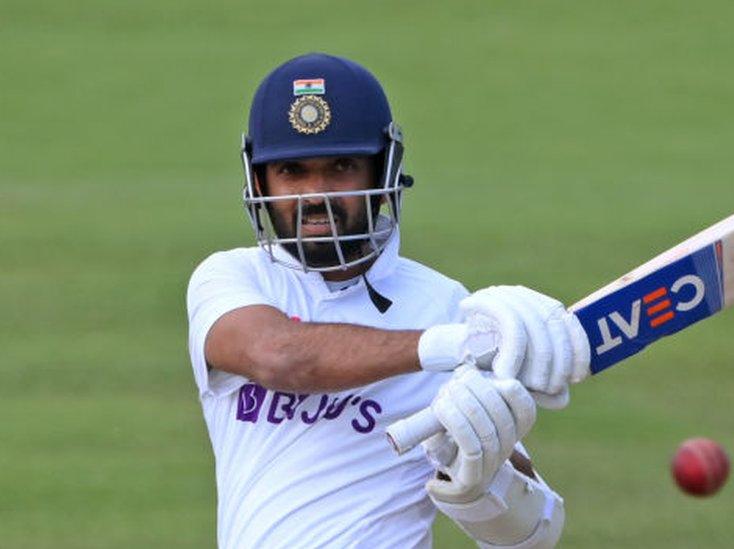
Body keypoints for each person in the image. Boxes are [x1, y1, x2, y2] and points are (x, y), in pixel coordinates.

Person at [186, 53, 591, 548]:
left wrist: (483, 479)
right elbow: (281, 356)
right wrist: (449, 346)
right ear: (258, 181)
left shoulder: (444, 304)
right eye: (292, 170)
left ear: (385, 172)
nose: (316, 194)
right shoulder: (231, 278)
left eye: (341, 166)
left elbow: (535, 536)